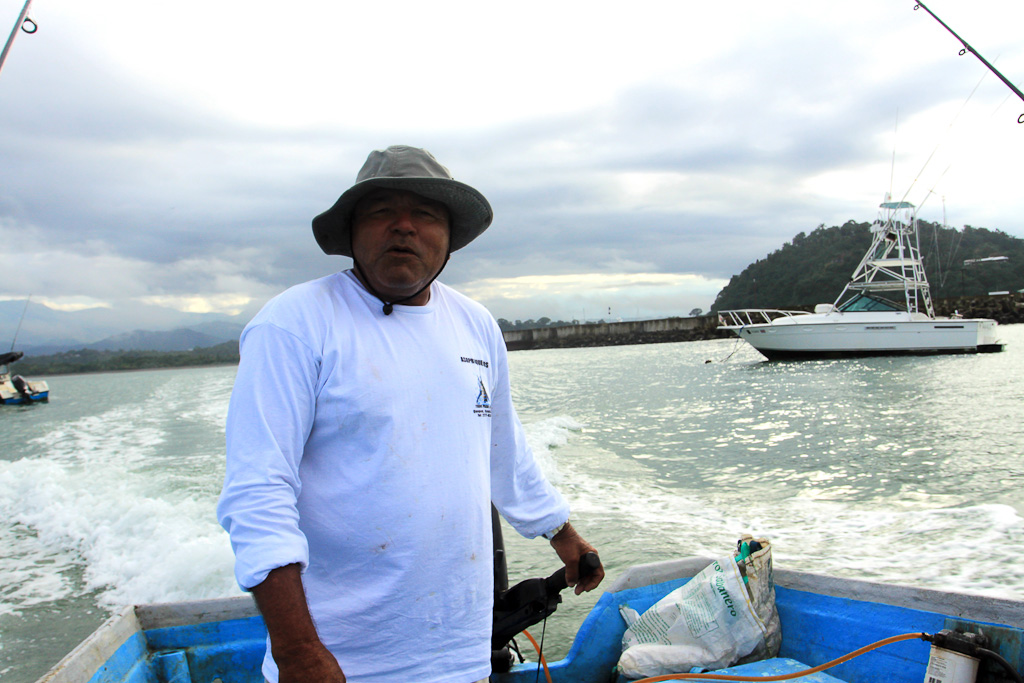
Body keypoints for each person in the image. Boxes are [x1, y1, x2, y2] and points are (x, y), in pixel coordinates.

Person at [217, 145, 604, 683]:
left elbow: (502, 449)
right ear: (351, 232)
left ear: (449, 237)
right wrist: (298, 651)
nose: (403, 227)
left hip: (461, 649)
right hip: (347, 659)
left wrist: (562, 534)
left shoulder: (475, 325)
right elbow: (257, 491)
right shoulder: (294, 325)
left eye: (424, 213)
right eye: (381, 211)